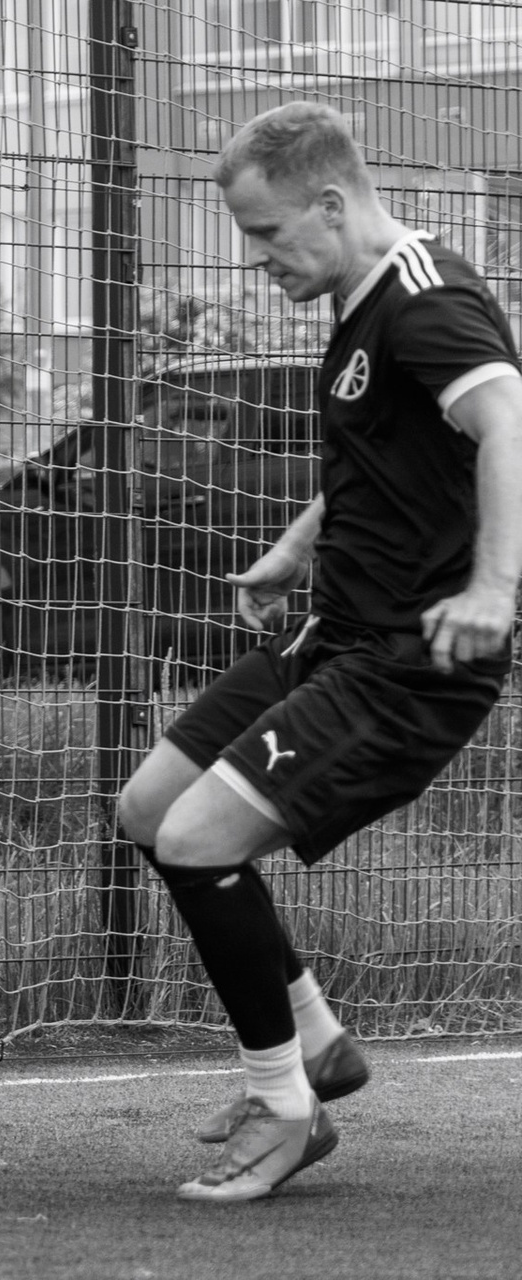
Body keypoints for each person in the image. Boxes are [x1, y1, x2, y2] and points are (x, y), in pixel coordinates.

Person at [117, 101, 522, 1203]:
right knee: (151, 808)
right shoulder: (367, 291)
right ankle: (317, 1043)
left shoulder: (427, 304)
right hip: (330, 634)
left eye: (266, 233)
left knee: (199, 838)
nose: (254, 259)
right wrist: (297, 549)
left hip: (408, 665)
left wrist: (494, 589)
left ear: (332, 205)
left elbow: (508, 424)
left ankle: (287, 1106)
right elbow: (391, 447)